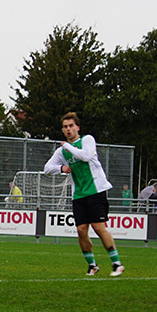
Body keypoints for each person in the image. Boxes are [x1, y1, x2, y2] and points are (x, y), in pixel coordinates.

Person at [43, 112, 124, 276]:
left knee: (98, 227)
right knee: (81, 230)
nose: (68, 129)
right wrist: (61, 168)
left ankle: (116, 264)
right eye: (65, 127)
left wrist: (67, 146)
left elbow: (86, 156)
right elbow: (46, 168)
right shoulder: (61, 152)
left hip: (96, 190)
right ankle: (92, 265)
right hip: (79, 194)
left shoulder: (86, 140)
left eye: (71, 126)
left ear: (77, 127)